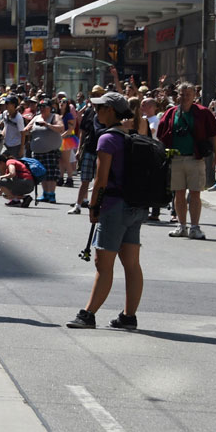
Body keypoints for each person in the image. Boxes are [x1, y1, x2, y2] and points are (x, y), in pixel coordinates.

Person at [66, 92, 148, 330]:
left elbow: (101, 179)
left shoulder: (107, 139)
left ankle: (88, 314)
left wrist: (93, 206)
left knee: (103, 263)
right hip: (134, 205)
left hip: (114, 207)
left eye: (100, 108)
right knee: (131, 263)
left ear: (110, 110)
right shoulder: (129, 136)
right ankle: (128, 316)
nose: (96, 111)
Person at [156, 82, 216, 240]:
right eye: (182, 94)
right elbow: (161, 135)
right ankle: (181, 226)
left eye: (188, 94)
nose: (185, 97)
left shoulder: (203, 112)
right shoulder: (171, 113)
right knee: (178, 193)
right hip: (176, 159)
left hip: (195, 158)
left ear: (194, 96)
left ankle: (195, 227)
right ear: (177, 96)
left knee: (195, 193)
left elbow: (214, 134)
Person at [23, 99, 63, 204]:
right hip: (37, 151)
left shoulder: (54, 117)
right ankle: (45, 193)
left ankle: (51, 194)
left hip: (51, 151)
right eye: (40, 107)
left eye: (44, 107)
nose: (42, 109)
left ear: (50, 108)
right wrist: (27, 129)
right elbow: (26, 129)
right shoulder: (36, 117)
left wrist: (47, 125)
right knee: (42, 173)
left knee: (51, 174)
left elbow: (61, 128)